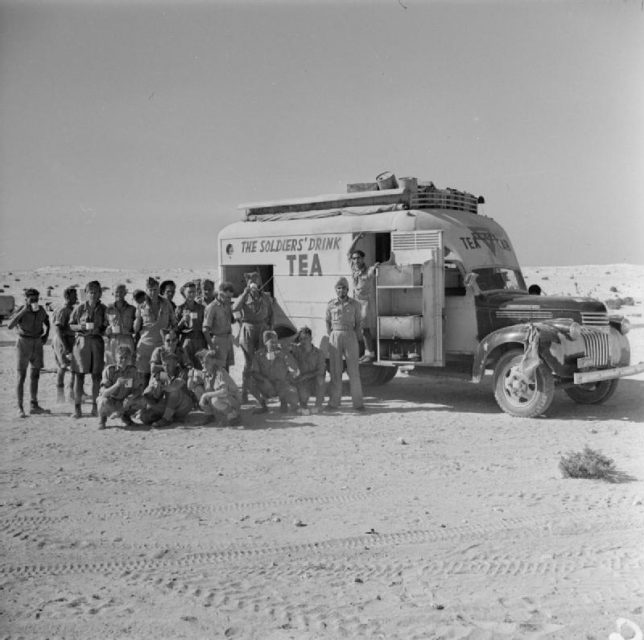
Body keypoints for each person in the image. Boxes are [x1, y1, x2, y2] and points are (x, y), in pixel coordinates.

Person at [347, 232, 392, 363]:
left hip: (365, 304)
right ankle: (364, 352)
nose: (356, 260)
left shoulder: (369, 270)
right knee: (358, 329)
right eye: (354, 259)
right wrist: (356, 239)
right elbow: (349, 252)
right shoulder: (354, 269)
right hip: (355, 303)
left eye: (358, 258)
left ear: (363, 259)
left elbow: (379, 268)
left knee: (365, 329)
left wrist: (380, 264)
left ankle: (370, 353)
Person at [8, 288, 51, 417]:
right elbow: (10, 325)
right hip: (23, 343)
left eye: (36, 299)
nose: (34, 301)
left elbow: (47, 322)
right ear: (26, 299)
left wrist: (46, 335)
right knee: (21, 376)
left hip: (37, 343)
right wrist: (23, 311)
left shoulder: (41, 310)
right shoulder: (21, 310)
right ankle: (20, 407)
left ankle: (34, 404)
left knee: (35, 374)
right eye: (32, 299)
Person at [232, 272, 274, 402]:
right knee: (248, 362)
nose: (253, 282)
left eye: (256, 280)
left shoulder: (265, 297)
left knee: (261, 361)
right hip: (248, 329)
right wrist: (245, 293)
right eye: (250, 280)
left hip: (262, 329)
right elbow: (235, 308)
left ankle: (262, 392)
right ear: (247, 283)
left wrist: (270, 330)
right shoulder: (244, 296)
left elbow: (271, 314)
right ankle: (245, 391)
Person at [69, 280, 108, 418]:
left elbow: (106, 326)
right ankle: (77, 408)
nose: (93, 294)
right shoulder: (79, 308)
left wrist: (102, 329)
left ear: (100, 293)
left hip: (97, 343)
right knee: (79, 376)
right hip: (82, 343)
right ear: (86, 293)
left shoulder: (104, 309)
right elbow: (71, 325)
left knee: (96, 376)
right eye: (90, 292)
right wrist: (81, 327)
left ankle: (95, 407)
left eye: (96, 292)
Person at [325, 277, 365, 411]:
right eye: (339, 288)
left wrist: (358, 338)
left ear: (348, 289)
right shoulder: (331, 304)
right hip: (335, 335)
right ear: (336, 290)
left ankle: (358, 404)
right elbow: (327, 321)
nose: (341, 290)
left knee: (353, 371)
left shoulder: (355, 304)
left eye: (344, 288)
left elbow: (359, 322)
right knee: (335, 371)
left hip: (350, 335)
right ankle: (334, 403)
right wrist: (332, 334)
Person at [133, 277, 177, 388]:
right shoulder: (141, 306)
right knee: (144, 376)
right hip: (145, 348)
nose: (153, 292)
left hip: (162, 348)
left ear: (159, 290)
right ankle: (145, 403)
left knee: (162, 377)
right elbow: (136, 328)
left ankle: (160, 404)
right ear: (146, 290)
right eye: (150, 289)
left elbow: (174, 323)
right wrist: (137, 320)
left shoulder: (167, 304)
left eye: (155, 289)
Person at [138, 352, 196, 428]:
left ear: (176, 364)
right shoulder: (163, 374)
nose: (166, 367)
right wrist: (153, 390)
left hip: (183, 406)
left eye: (169, 365)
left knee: (173, 391)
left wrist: (163, 387)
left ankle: (166, 419)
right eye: (164, 365)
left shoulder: (182, 371)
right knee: (145, 417)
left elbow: (176, 386)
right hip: (169, 405)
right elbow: (156, 395)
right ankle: (169, 417)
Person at [249, 330, 299, 414]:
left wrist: (284, 355)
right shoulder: (258, 355)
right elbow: (254, 372)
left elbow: (294, 370)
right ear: (265, 342)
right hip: (266, 385)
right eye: (271, 342)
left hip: (281, 384)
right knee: (250, 384)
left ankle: (284, 402)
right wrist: (265, 380)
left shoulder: (283, 353)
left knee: (293, 396)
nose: (274, 344)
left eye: (276, 342)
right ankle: (262, 405)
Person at [96, 345, 145, 429]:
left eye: (126, 357)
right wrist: (116, 385)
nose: (123, 360)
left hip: (125, 402)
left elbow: (138, 390)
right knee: (102, 401)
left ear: (129, 358)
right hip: (111, 401)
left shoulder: (133, 371)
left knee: (142, 401)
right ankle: (102, 419)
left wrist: (131, 397)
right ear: (116, 357)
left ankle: (125, 417)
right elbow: (103, 393)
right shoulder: (109, 370)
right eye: (121, 357)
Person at [189, 348, 241, 426]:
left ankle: (233, 416)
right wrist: (190, 376)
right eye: (202, 363)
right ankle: (210, 415)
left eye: (207, 362)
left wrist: (205, 395)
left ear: (214, 361)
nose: (204, 365)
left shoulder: (220, 372)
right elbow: (190, 387)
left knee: (215, 400)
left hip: (233, 400)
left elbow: (224, 392)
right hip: (224, 399)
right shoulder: (205, 372)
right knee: (198, 389)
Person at [289, 326, 326, 414]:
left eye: (306, 338)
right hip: (301, 382)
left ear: (311, 338)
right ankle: (303, 403)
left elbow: (321, 371)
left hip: (313, 381)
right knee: (303, 401)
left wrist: (306, 376)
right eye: (301, 339)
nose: (303, 341)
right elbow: (285, 345)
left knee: (320, 379)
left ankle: (318, 404)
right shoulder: (297, 349)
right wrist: (295, 336)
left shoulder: (319, 353)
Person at [51, 286, 77, 403]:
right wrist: (66, 347)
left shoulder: (71, 309)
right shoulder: (63, 310)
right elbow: (58, 329)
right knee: (64, 367)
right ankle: (61, 396)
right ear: (67, 296)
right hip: (63, 340)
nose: (76, 298)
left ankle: (70, 394)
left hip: (69, 339)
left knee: (71, 367)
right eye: (74, 296)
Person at [202, 281, 235, 371]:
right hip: (217, 342)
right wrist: (212, 346)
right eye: (227, 297)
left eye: (230, 297)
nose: (229, 299)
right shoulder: (212, 307)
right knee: (218, 370)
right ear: (220, 294)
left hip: (227, 340)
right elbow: (205, 329)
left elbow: (232, 320)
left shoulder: (227, 305)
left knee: (226, 369)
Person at [175, 282, 206, 369]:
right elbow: (175, 329)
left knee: (200, 367)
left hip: (200, 341)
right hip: (186, 341)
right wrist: (182, 320)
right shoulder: (180, 309)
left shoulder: (201, 308)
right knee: (187, 368)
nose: (192, 294)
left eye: (194, 292)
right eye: (189, 292)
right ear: (184, 293)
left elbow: (205, 326)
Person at [105, 283, 136, 366]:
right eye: (117, 292)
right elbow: (104, 326)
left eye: (121, 292)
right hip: (113, 341)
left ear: (125, 293)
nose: (119, 294)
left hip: (127, 340)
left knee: (128, 366)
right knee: (112, 366)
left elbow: (137, 328)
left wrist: (130, 331)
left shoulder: (132, 309)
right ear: (113, 293)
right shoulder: (108, 309)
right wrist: (107, 331)